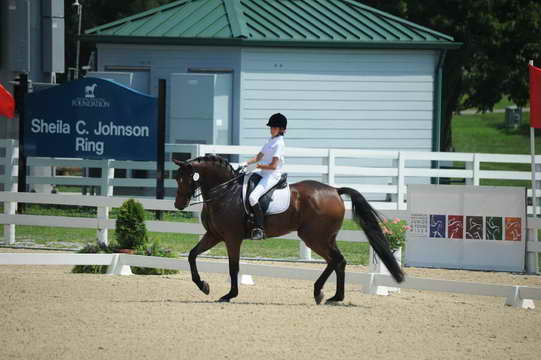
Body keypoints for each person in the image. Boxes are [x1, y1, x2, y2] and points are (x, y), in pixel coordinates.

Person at [241, 113, 287, 240]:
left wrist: (257, 166)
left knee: (253, 197)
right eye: (271, 127)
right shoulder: (270, 141)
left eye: (274, 128)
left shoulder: (279, 143)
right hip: (262, 173)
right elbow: (259, 157)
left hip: (272, 176)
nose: (271, 130)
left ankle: (259, 228)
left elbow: (273, 166)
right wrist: (246, 163)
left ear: (281, 129)